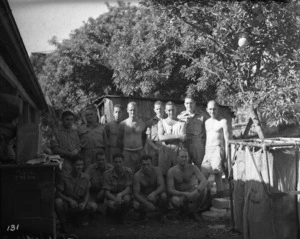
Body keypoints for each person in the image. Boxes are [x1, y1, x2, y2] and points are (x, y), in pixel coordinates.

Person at [55, 155, 95, 232]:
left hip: (78, 201)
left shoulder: (86, 177)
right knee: (58, 202)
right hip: (67, 202)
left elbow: (87, 193)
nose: (79, 167)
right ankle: (64, 223)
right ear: (72, 165)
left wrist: (84, 203)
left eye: (81, 165)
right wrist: (69, 200)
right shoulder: (64, 176)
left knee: (93, 206)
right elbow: (58, 193)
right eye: (77, 165)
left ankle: (82, 219)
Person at [167, 149, 207, 220]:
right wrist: (184, 194)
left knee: (203, 189)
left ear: (188, 158)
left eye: (186, 157)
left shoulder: (193, 167)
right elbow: (170, 189)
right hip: (180, 195)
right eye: (182, 157)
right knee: (174, 200)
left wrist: (196, 191)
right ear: (177, 158)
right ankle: (183, 212)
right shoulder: (171, 171)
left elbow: (204, 180)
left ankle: (194, 211)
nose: (184, 159)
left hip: (192, 192)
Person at [201, 100, 230, 197]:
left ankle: (220, 198)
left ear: (218, 109)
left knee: (217, 175)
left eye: (214, 109)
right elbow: (207, 138)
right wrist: (206, 152)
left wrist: (226, 156)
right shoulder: (206, 122)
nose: (212, 111)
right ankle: (207, 198)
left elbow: (227, 140)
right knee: (203, 174)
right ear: (207, 110)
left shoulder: (223, 122)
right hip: (208, 150)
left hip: (217, 149)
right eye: (210, 109)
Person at [133, 154, 167, 220]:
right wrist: (147, 203)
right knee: (136, 204)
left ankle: (162, 214)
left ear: (152, 164)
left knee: (164, 195)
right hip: (144, 195)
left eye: (148, 164)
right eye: (144, 165)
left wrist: (154, 193)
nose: (146, 167)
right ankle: (142, 215)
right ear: (141, 165)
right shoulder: (137, 175)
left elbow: (162, 185)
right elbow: (136, 193)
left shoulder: (157, 170)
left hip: (155, 194)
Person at [158, 101, 186, 179]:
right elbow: (161, 137)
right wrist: (177, 136)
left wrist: (167, 136)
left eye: (173, 110)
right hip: (165, 151)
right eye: (169, 110)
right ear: (166, 111)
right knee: (164, 174)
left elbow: (183, 138)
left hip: (177, 151)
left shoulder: (182, 123)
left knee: (178, 174)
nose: (171, 112)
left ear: (176, 109)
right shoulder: (161, 122)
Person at [177, 96, 207, 169]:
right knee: (185, 165)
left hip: (197, 143)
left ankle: (200, 180)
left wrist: (205, 144)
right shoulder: (180, 116)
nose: (189, 105)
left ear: (195, 103)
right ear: (184, 104)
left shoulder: (202, 116)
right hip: (185, 143)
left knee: (200, 166)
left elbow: (206, 131)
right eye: (187, 103)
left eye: (191, 103)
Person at [103, 153, 133, 224]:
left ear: (123, 162)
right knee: (112, 205)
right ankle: (112, 214)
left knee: (126, 199)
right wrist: (115, 199)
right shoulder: (107, 174)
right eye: (116, 162)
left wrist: (120, 195)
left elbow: (128, 188)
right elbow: (106, 192)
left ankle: (123, 216)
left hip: (123, 194)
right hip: (111, 195)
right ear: (112, 162)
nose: (118, 164)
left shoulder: (128, 172)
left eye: (120, 162)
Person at [117, 102, 146, 173]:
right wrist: (123, 152)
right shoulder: (123, 124)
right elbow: (119, 140)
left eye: (134, 110)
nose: (133, 112)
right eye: (131, 110)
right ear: (127, 110)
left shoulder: (142, 124)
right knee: (127, 172)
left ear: (137, 110)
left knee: (140, 172)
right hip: (127, 153)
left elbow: (144, 138)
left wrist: (142, 150)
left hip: (139, 152)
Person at [145, 101, 164, 166]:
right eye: (157, 109)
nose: (159, 111)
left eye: (161, 109)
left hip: (164, 147)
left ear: (164, 109)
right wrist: (156, 148)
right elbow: (147, 139)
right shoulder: (150, 122)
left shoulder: (166, 121)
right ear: (154, 110)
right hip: (153, 148)